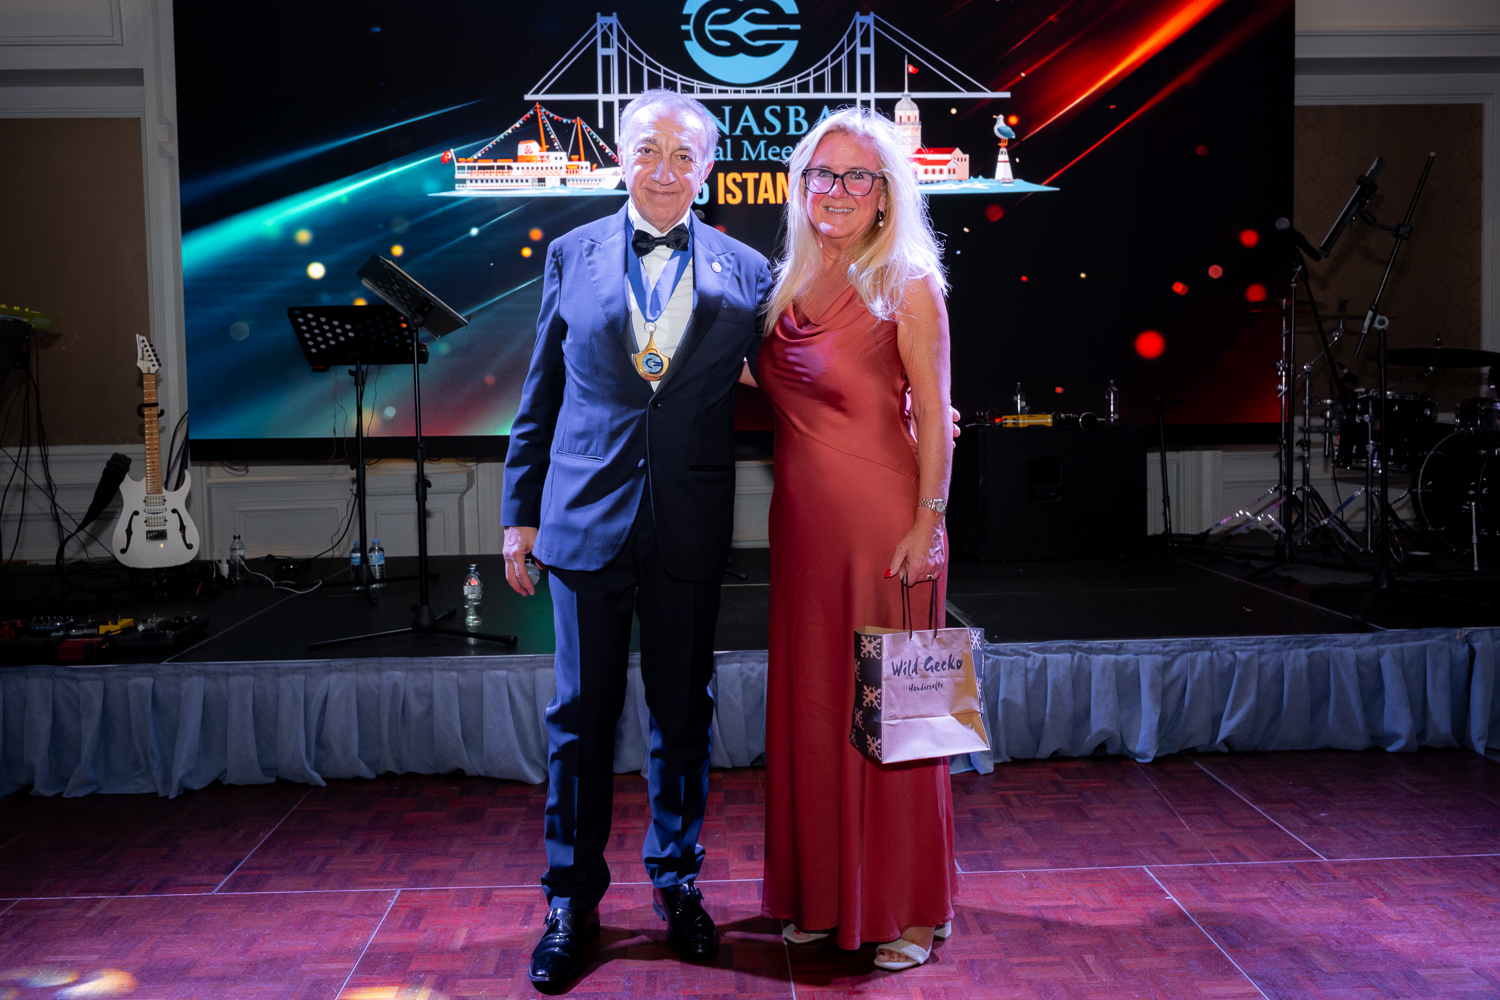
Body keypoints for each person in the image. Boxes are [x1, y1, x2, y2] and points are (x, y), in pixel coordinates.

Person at [501, 89, 773, 987]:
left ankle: (678, 882)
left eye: (684, 154)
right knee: (580, 719)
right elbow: (539, 393)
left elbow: (803, 377)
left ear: (709, 168)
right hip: (582, 522)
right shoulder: (570, 254)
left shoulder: (748, 270)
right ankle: (569, 899)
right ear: (622, 158)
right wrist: (518, 514)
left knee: (682, 715)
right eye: (649, 150)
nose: (665, 169)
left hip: (688, 526)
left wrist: (903, 407)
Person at [752, 106, 957, 970]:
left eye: (857, 177)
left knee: (896, 718)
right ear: (801, 187)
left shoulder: (906, 283)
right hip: (804, 534)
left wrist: (928, 524)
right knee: (815, 708)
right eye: (822, 174)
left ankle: (912, 910)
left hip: (885, 529)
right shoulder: (784, 285)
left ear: (885, 195)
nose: (836, 190)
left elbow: (938, 417)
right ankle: (826, 895)